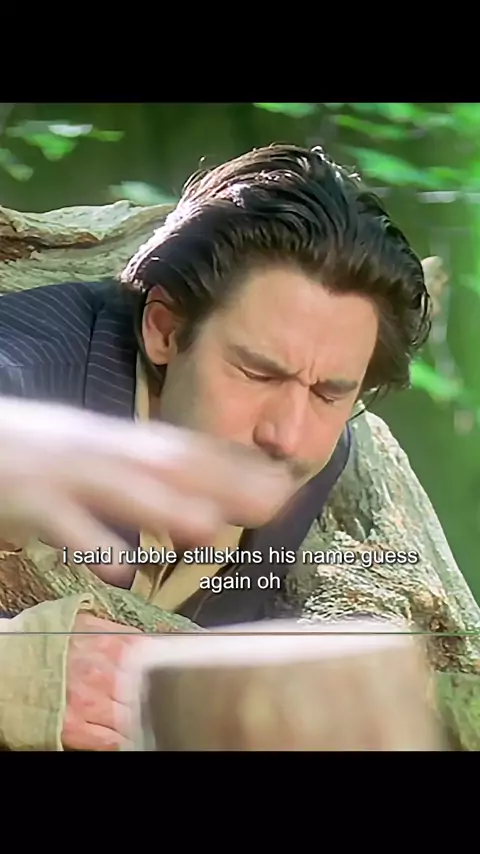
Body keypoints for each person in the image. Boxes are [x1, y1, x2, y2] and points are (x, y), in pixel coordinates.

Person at [0, 143, 431, 750]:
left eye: (329, 393)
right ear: (164, 328)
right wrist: (21, 674)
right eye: (258, 373)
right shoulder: (20, 384)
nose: (288, 437)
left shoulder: (320, 455)